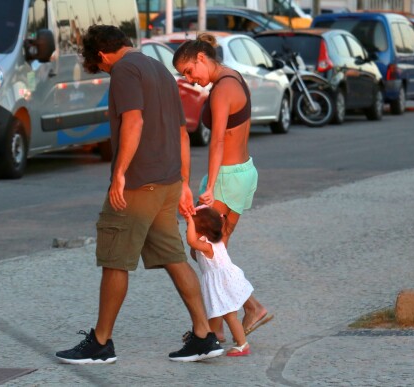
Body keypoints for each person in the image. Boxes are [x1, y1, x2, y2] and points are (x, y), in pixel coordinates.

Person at [55, 25, 223, 364]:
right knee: (174, 257)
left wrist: (119, 174)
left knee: (115, 259)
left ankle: (101, 343)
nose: (103, 70)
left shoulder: (124, 70)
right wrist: (184, 183)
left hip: (137, 183)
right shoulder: (159, 67)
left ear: (101, 55)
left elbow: (133, 121)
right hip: (167, 182)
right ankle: (205, 335)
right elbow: (182, 132)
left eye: (98, 66)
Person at [173, 33, 273, 342]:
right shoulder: (234, 77)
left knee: (204, 251)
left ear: (201, 58)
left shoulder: (221, 91)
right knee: (216, 254)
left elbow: (217, 140)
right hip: (242, 171)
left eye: (190, 71)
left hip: (227, 178)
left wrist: (211, 186)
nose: (190, 79)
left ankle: (231, 320)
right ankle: (220, 327)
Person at [183, 205, 253, 356]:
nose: (187, 229)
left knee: (229, 315)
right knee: (215, 313)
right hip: (225, 280)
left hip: (222, 283)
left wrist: (190, 218)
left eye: (189, 226)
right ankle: (209, 336)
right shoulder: (211, 240)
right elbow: (194, 251)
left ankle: (242, 344)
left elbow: (190, 241)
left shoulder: (207, 246)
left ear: (201, 231)